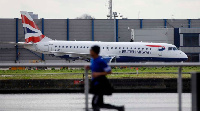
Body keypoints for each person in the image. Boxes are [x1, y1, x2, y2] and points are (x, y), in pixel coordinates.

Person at [85, 45, 125, 111]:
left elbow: (109, 71)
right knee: (100, 104)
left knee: (94, 104)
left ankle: (119, 108)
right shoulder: (92, 60)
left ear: (94, 52)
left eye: (91, 51)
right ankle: (119, 108)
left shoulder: (101, 61)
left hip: (99, 84)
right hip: (95, 84)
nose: (90, 52)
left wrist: (98, 74)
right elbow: (94, 68)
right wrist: (89, 67)